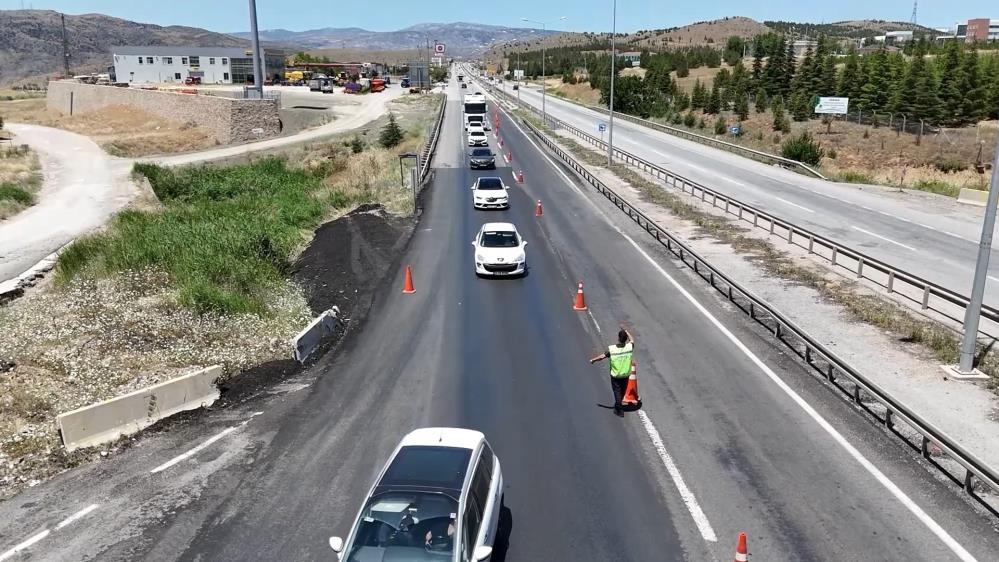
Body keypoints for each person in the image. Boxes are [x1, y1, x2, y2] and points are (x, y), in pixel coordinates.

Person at [590, 326, 635, 417]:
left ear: (618, 338)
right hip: (625, 374)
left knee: (617, 392)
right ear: (626, 339)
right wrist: (626, 331)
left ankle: (619, 409)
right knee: (622, 391)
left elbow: (602, 356)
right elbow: (632, 340)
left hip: (616, 375)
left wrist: (593, 360)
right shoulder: (629, 347)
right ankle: (617, 406)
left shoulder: (612, 349)